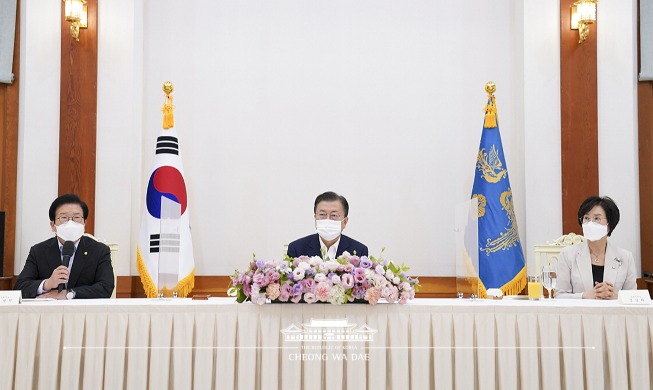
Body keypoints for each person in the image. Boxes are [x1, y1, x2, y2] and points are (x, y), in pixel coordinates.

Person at [14, 194, 115, 299]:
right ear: (53, 225)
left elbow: (106, 287)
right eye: (64, 217)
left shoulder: (100, 250)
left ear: (84, 223)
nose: (70, 223)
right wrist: (47, 284)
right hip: (49, 313)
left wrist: (68, 294)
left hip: (84, 312)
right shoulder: (38, 251)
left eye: (76, 217)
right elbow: (20, 287)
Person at [555, 196, 636, 299]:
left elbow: (633, 299)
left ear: (609, 224)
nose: (590, 223)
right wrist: (584, 296)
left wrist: (615, 296)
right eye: (586, 218)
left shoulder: (626, 257)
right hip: (580, 314)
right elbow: (559, 296)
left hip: (613, 314)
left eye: (597, 218)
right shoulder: (567, 255)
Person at [287, 191, 368, 259]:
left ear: (345, 221)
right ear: (315, 218)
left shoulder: (359, 251)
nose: (327, 219)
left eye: (334, 215)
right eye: (322, 214)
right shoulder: (297, 249)